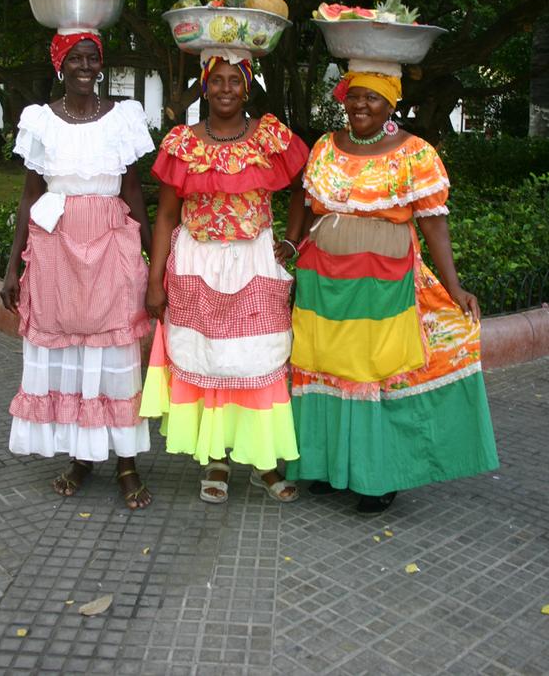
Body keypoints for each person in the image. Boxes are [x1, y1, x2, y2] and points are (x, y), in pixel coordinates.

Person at [287, 60, 498, 514]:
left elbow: (434, 223)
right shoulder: (325, 146)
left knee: (374, 371)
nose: (361, 104)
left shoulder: (415, 153)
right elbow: (303, 202)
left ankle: (374, 475)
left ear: (391, 102)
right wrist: (290, 246)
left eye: (373, 97)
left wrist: (453, 285)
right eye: (355, 95)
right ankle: (326, 465)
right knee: (323, 364)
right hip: (322, 279)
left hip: (383, 284)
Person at [140, 51, 308, 503]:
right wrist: (156, 281)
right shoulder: (183, 143)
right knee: (210, 359)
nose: (226, 89)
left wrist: (291, 241)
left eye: (235, 80)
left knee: (260, 358)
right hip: (197, 262)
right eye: (217, 81)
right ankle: (217, 458)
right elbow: (166, 216)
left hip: (254, 262)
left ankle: (265, 462)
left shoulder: (268, 137)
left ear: (247, 86)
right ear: (205, 85)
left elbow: (303, 188)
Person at [0, 31, 154, 509]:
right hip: (54, 246)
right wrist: (11, 268)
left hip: (110, 241)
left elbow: (132, 193)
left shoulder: (123, 119)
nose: (86, 66)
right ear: (60, 66)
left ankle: (126, 463)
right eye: (76, 59)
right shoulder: (41, 121)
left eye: (93, 58)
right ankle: (82, 457)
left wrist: (156, 259)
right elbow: (30, 196)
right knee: (70, 350)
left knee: (114, 350)